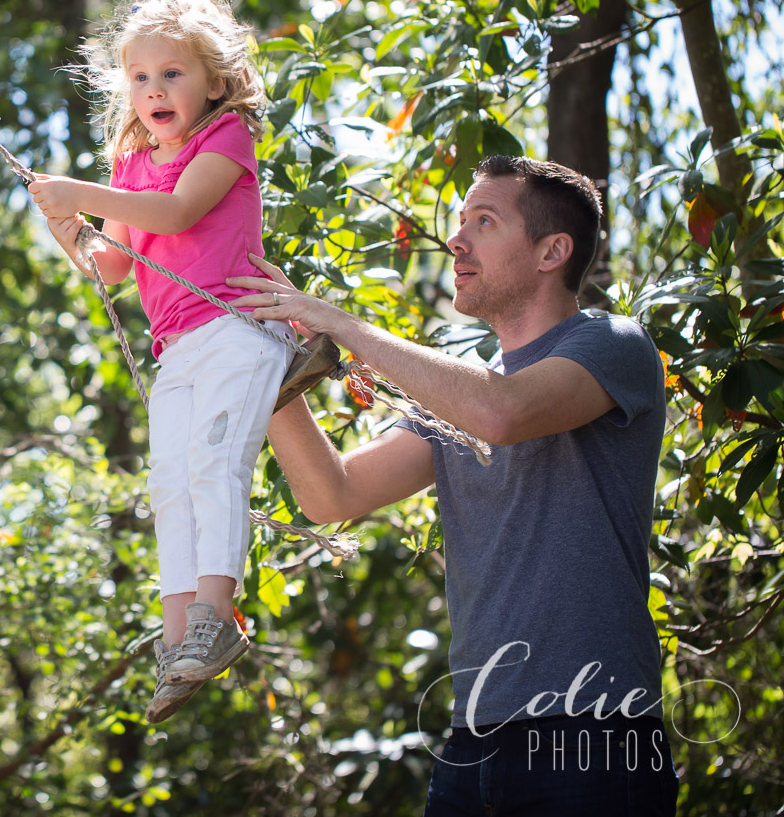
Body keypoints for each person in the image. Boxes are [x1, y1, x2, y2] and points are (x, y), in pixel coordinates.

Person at [227, 155, 679, 815]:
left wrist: (344, 325)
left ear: (554, 250)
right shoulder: (458, 393)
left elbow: (505, 412)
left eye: (485, 221)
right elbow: (334, 494)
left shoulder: (612, 344)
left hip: (595, 737)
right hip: (473, 741)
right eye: (461, 219)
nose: (456, 240)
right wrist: (267, 360)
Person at [29, 0, 295, 723]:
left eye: (172, 72)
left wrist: (81, 193)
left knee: (215, 465)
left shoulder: (225, 138)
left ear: (214, 80)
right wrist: (67, 225)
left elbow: (179, 212)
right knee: (169, 487)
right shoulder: (131, 167)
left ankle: (216, 617)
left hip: (237, 327)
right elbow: (109, 266)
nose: (155, 89)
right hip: (177, 346)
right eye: (141, 77)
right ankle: (181, 638)